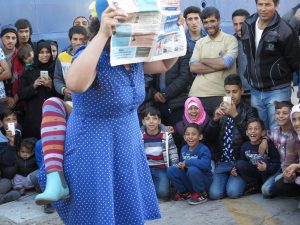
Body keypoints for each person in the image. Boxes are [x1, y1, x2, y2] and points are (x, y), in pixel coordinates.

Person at [36, 1, 181, 224]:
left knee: (126, 214)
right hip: (94, 150)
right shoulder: (91, 54)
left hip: (125, 148)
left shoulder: (132, 55)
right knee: (97, 215)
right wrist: (103, 34)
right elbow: (75, 83)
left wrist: (174, 31)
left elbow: (163, 63)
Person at [241, 0, 300, 130]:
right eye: (260, 4)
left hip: (278, 90)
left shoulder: (285, 30)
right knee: (260, 134)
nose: (263, 8)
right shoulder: (247, 25)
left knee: (278, 133)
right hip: (255, 91)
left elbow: (296, 62)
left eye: (267, 4)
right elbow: (247, 54)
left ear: (276, 5)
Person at [205, 74, 258, 200]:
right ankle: (228, 178)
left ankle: (251, 182)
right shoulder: (219, 109)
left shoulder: (249, 110)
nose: (231, 95)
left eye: (235, 91)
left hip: (239, 162)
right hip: (223, 161)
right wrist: (214, 121)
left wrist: (236, 115)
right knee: (214, 194)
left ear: (242, 91)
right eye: (227, 92)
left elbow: (251, 138)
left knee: (233, 193)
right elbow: (208, 138)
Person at [189, 7, 238, 118]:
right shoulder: (200, 43)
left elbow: (226, 63)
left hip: (222, 94)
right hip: (197, 94)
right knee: (200, 133)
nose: (209, 25)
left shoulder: (230, 40)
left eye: (212, 21)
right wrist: (219, 63)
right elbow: (193, 67)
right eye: (205, 22)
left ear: (219, 20)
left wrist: (203, 60)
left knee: (223, 131)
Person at [260, 101, 300, 197]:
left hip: (296, 169)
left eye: (285, 113)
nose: (280, 116)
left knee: (278, 185)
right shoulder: (275, 131)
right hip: (283, 168)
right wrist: (264, 140)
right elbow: (267, 134)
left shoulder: (295, 133)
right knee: (266, 191)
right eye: (278, 113)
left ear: (290, 115)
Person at [18, 40, 55, 139]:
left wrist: (51, 86)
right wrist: (33, 86)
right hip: (33, 118)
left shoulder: (55, 70)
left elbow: (61, 95)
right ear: (36, 54)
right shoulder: (29, 71)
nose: (45, 55)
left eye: (47, 52)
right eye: (41, 52)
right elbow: (21, 95)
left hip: (52, 117)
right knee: (32, 147)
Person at [167, 123, 212, 205]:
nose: (190, 137)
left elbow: (205, 165)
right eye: (187, 134)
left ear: (200, 137)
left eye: (194, 134)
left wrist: (188, 162)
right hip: (190, 179)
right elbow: (182, 165)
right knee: (171, 169)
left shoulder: (204, 149)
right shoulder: (184, 149)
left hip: (203, 182)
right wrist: (181, 166)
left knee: (192, 169)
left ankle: (201, 194)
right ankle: (185, 193)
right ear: (184, 137)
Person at [141, 107, 178, 200]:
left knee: (163, 193)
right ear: (143, 122)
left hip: (161, 168)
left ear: (159, 121)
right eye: (148, 119)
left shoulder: (166, 135)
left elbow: (173, 151)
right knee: (144, 194)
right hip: (146, 169)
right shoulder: (139, 136)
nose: (151, 121)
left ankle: (159, 184)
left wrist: (175, 167)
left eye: (154, 118)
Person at [235, 118, 280, 195]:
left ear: (263, 132)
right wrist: (235, 169)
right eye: (250, 129)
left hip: (267, 173)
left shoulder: (268, 145)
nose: (253, 131)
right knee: (239, 163)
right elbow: (243, 163)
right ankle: (254, 185)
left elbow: (277, 164)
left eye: (256, 129)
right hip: (254, 174)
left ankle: (264, 184)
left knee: (262, 161)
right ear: (246, 132)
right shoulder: (245, 146)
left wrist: (267, 167)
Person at [54, 26, 87, 101]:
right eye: (75, 39)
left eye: (81, 39)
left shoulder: (91, 55)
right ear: (70, 40)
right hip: (69, 100)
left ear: (86, 40)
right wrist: (64, 90)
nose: (78, 42)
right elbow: (57, 79)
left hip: (88, 100)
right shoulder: (61, 57)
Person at [231, 9, 251, 105]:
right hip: (238, 94)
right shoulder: (230, 42)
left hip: (256, 92)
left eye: (241, 24)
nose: (238, 28)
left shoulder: (257, 40)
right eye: (235, 24)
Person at [0, 108, 21, 180]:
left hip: (14, 161)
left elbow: (9, 162)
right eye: (8, 120)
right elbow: (4, 161)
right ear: (1, 123)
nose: (12, 123)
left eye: (14, 119)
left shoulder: (18, 131)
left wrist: (12, 141)